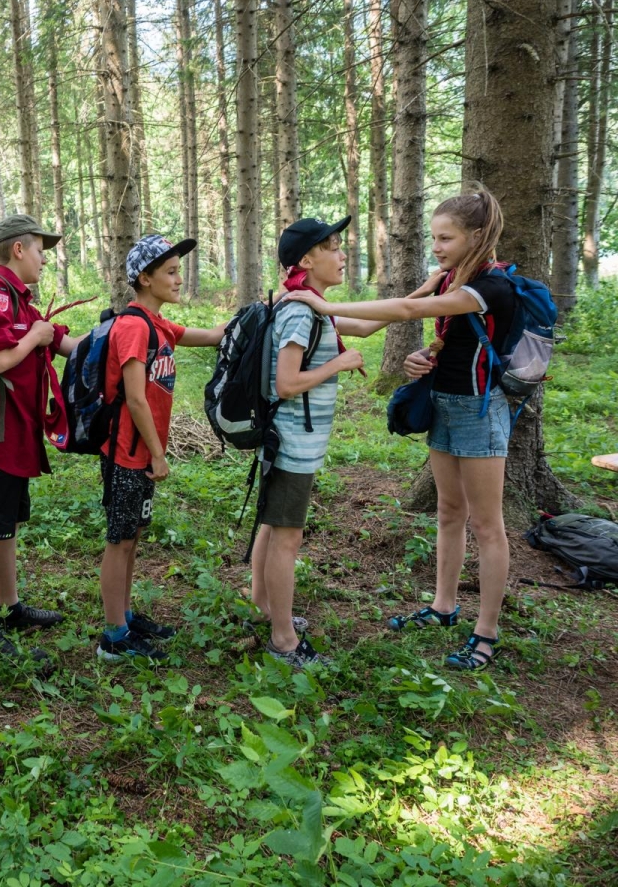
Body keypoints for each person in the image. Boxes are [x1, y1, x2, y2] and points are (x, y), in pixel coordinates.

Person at [282, 190, 513, 670]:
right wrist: (423, 359)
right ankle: (443, 607)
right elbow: (451, 338)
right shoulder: (450, 280)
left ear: (476, 236)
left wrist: (325, 306)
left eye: (445, 237)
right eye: (433, 237)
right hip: (446, 406)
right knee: (449, 511)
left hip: (480, 411)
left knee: (488, 526)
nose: (437, 246)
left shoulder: (490, 287)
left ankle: (486, 633)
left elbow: (408, 312)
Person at [0, 214, 82, 665]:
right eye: (41, 250)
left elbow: (62, 342)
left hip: (16, 436)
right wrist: (34, 337)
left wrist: (115, 337)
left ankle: (10, 609)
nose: (45, 259)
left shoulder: (19, 300)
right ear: (19, 249)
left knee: (6, 526)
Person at [249, 216, 373, 668]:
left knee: (272, 524)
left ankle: (263, 606)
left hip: (290, 439)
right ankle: (283, 641)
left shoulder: (310, 304)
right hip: (292, 442)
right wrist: (338, 365)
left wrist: (424, 297)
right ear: (306, 258)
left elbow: (362, 325)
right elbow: (285, 383)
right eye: (333, 247)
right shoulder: (302, 310)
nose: (342, 255)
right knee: (287, 537)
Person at [96, 235, 226, 663]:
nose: (178, 277)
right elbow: (134, 398)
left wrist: (260, 313)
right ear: (144, 278)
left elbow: (211, 335)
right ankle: (113, 637)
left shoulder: (159, 325)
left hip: (140, 454)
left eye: (178, 269)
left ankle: (126, 616)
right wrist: (157, 453)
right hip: (126, 454)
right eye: (169, 271)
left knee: (132, 536)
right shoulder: (133, 326)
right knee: (119, 540)